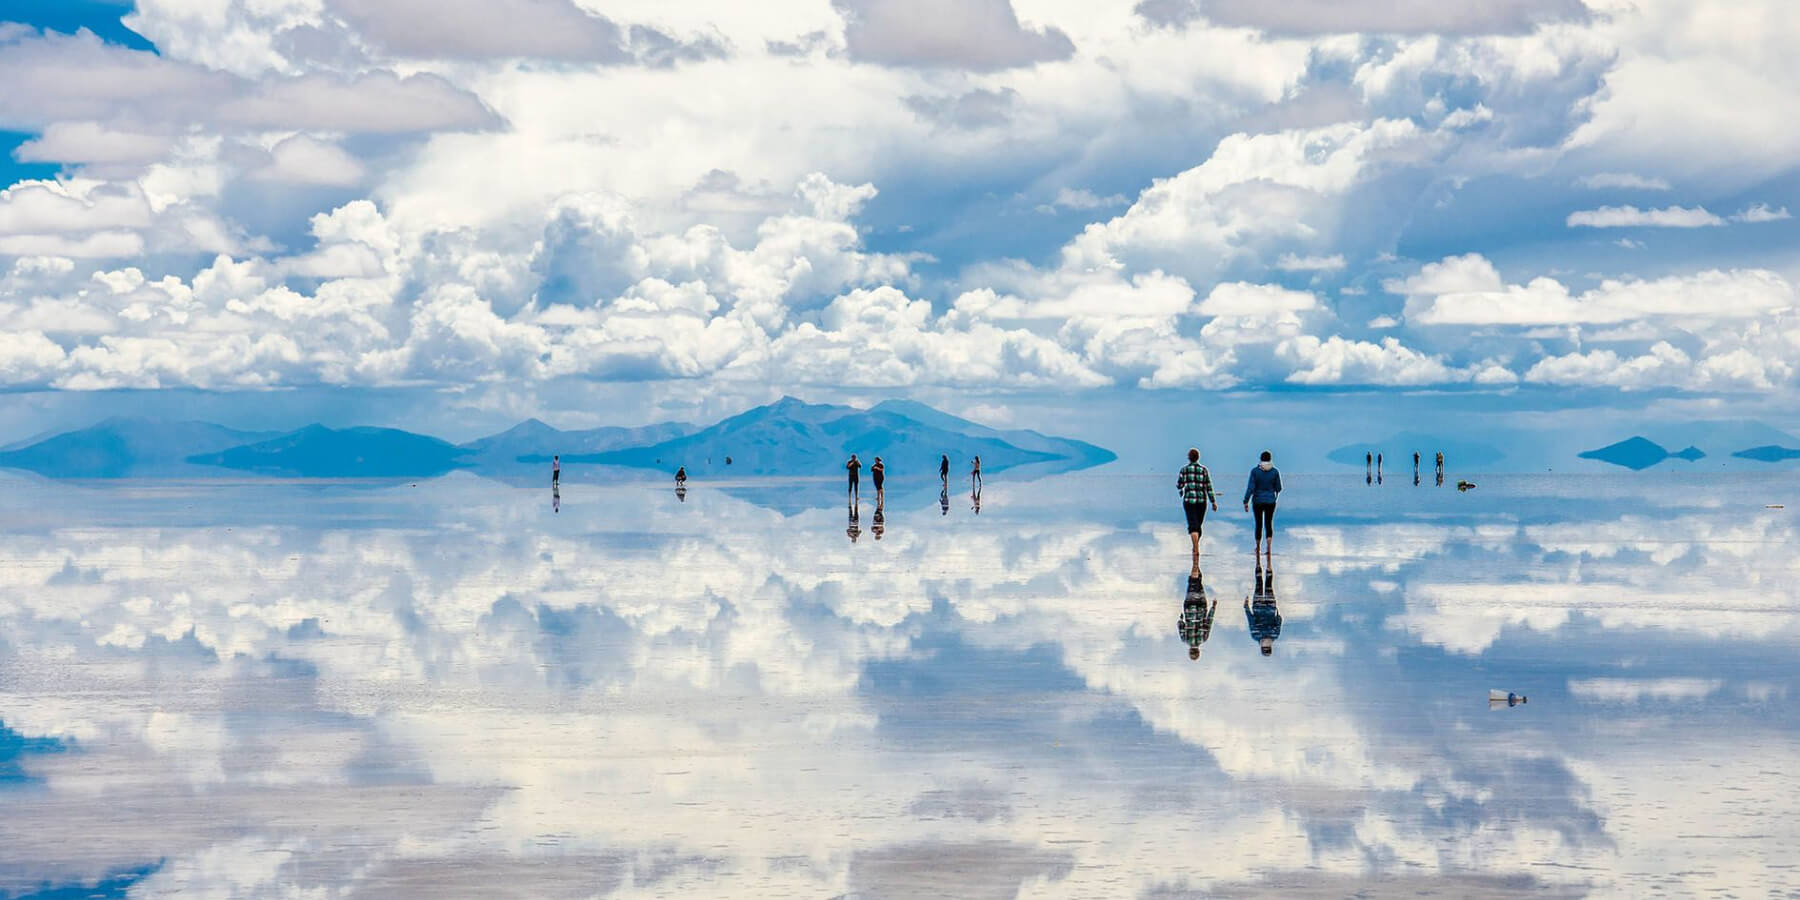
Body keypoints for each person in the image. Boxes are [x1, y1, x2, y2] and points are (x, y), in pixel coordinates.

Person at [1176, 448, 1218, 560]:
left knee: (1192, 524)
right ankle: (1196, 547)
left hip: (1189, 501)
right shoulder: (1204, 470)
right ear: (1198, 457)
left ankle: (1195, 548)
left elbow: (1179, 485)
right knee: (1198, 525)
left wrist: (1181, 488)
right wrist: (1213, 502)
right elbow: (1209, 487)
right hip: (1201, 501)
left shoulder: (1184, 470)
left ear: (1189, 458)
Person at [1243, 450, 1281, 562]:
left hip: (1257, 501)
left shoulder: (1255, 471)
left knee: (1258, 524)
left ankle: (1258, 547)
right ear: (1270, 459)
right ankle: (1269, 548)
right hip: (1270, 501)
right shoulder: (1275, 472)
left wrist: (1246, 501)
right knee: (1269, 523)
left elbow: (1250, 488)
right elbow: (1279, 488)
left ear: (1261, 459)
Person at [1178, 560, 1217, 661]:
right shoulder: (1185, 639)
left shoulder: (1204, 638)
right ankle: (1195, 562)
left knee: (1198, 583)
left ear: (1199, 651)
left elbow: (1209, 621)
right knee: (1193, 583)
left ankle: (1196, 562)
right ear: (1189, 651)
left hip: (1201, 608)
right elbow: (1180, 624)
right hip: (1189, 608)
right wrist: (1181, 619)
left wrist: (1213, 607)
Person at [1245, 564, 1281, 656]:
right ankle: (1258, 564)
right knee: (1259, 584)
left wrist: (1277, 614)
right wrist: (1246, 607)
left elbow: (1279, 620)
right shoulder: (1255, 635)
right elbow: (1251, 620)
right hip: (1258, 606)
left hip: (1270, 607)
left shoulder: (1275, 635)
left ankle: (1268, 565)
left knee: (1268, 584)